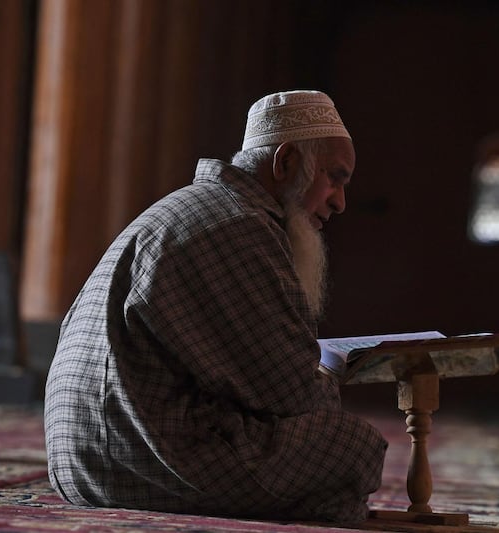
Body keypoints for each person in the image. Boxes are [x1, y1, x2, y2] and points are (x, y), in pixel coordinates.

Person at [44, 90, 388, 523]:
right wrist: (324, 386)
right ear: (285, 164)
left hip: (82, 458)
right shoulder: (240, 227)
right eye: (335, 178)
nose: (340, 202)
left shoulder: (203, 208)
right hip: (126, 461)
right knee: (349, 446)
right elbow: (291, 393)